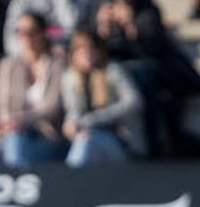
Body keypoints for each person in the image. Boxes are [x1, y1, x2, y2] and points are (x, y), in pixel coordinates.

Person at [91, 0, 200, 157]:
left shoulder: (148, 11)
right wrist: (102, 30)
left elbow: (152, 50)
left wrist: (130, 26)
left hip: (146, 75)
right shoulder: (102, 12)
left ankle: (153, 147)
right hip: (113, 74)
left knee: (143, 75)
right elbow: (93, 54)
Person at [61, 28, 144, 165]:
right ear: (73, 54)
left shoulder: (112, 70)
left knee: (86, 139)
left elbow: (134, 101)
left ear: (99, 50)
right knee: (84, 140)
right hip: (86, 140)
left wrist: (93, 120)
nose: (86, 53)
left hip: (121, 141)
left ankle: (70, 180)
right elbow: (73, 111)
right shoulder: (70, 78)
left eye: (90, 48)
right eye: (80, 49)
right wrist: (70, 124)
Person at [0, 10, 64, 166]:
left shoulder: (56, 65)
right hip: (13, 133)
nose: (25, 36)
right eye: (20, 32)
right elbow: (3, 106)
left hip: (46, 134)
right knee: (14, 142)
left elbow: (53, 107)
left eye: (30, 31)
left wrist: (21, 120)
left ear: (42, 33)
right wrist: (13, 123)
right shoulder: (7, 66)